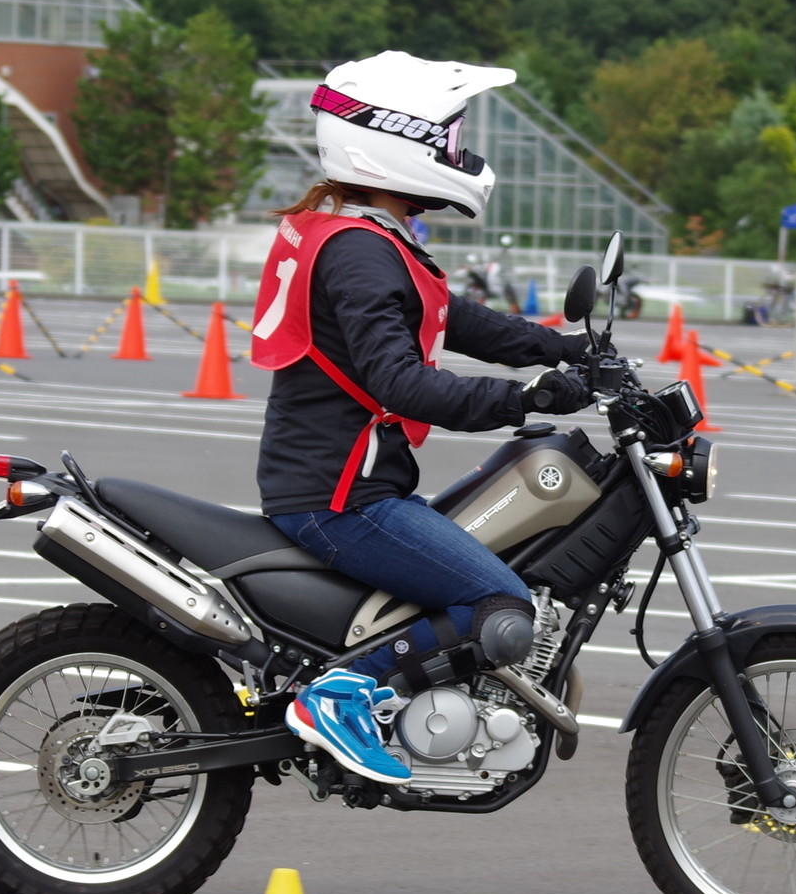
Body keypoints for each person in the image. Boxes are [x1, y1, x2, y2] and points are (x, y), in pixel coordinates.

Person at [247, 52, 594, 786]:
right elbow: (401, 384)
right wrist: (524, 400)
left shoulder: (357, 235)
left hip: (338, 485)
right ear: (394, 140)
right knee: (497, 601)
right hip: (341, 500)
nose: (458, 153)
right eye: (447, 136)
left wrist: (564, 347)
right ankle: (341, 697)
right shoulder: (361, 253)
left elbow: (454, 318)